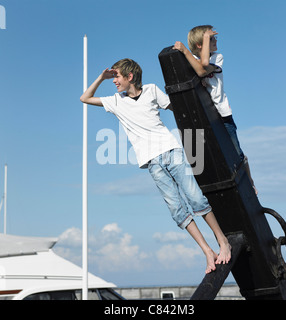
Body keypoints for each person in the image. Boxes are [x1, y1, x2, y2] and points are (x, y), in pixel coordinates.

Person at [80, 58, 231, 274]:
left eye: (116, 77)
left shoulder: (151, 90)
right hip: (152, 162)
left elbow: (178, 108)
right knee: (177, 211)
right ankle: (207, 251)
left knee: (196, 198)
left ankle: (222, 241)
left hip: (172, 152)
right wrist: (101, 78)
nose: (114, 81)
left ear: (130, 77)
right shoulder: (115, 101)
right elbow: (84, 98)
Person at [174, 25, 257, 194]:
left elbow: (203, 67)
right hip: (207, 115)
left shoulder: (217, 57)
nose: (215, 40)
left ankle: (250, 183)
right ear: (200, 44)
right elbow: (198, 66)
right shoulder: (193, 61)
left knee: (237, 152)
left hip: (222, 113)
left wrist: (185, 50)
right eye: (212, 38)